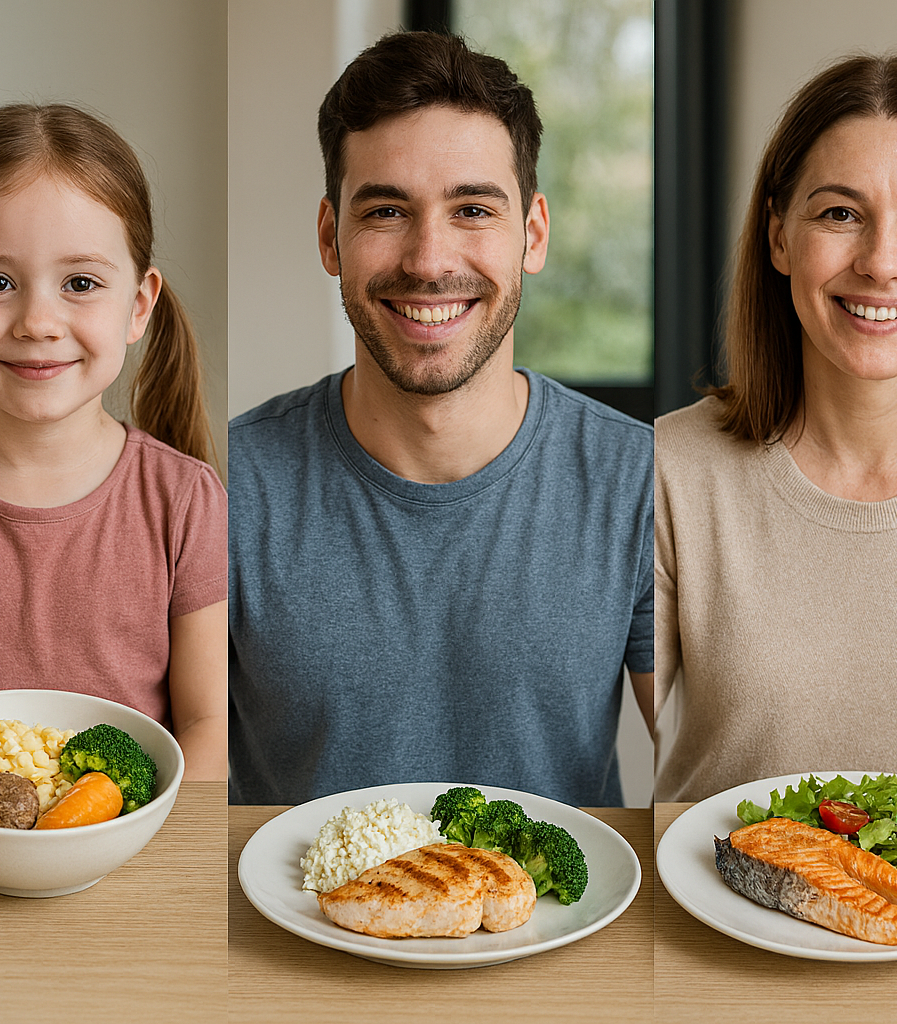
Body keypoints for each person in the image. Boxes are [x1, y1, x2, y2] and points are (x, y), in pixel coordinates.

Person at [228, 32, 654, 807]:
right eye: (387, 210)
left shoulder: (641, 482)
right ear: (330, 237)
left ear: (533, 234)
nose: (429, 260)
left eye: (473, 210)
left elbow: (710, 783)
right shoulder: (228, 485)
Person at [654, 55, 897, 803]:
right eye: (840, 214)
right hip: (714, 880)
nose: (881, 263)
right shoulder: (668, 469)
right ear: (779, 236)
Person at [0, 104, 228, 779]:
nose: (39, 322)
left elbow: (207, 724)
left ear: (138, 305)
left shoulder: (186, 500)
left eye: (80, 283)